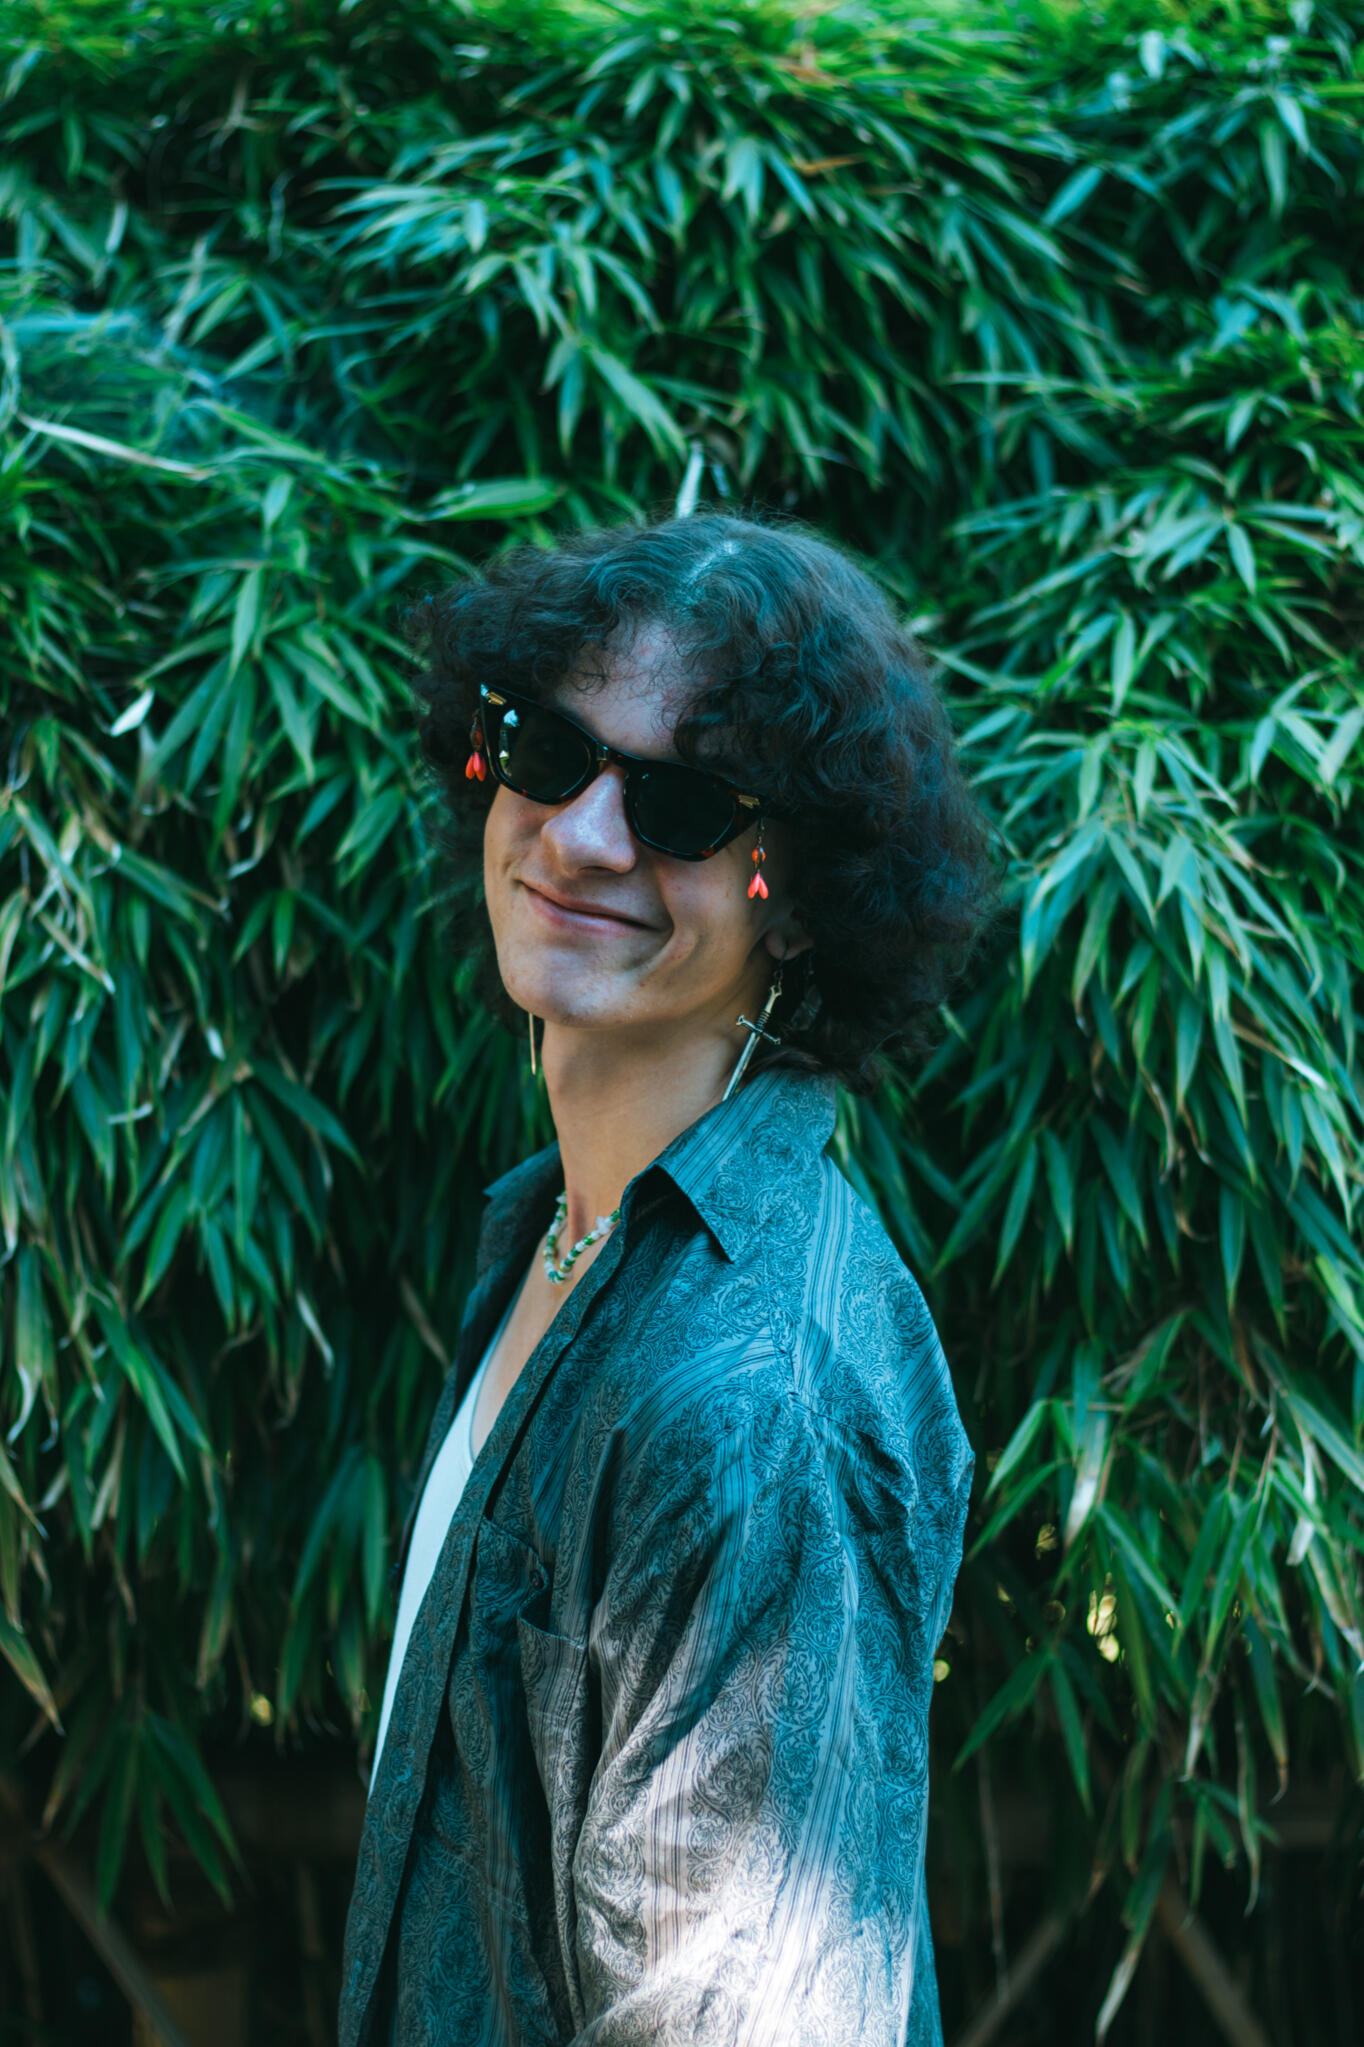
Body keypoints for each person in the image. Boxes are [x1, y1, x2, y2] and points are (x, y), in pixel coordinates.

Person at [339, 512, 1002, 2047]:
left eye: (690, 806)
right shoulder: (558, 1236)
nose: (581, 837)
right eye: (553, 754)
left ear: (809, 893)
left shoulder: (747, 1389)